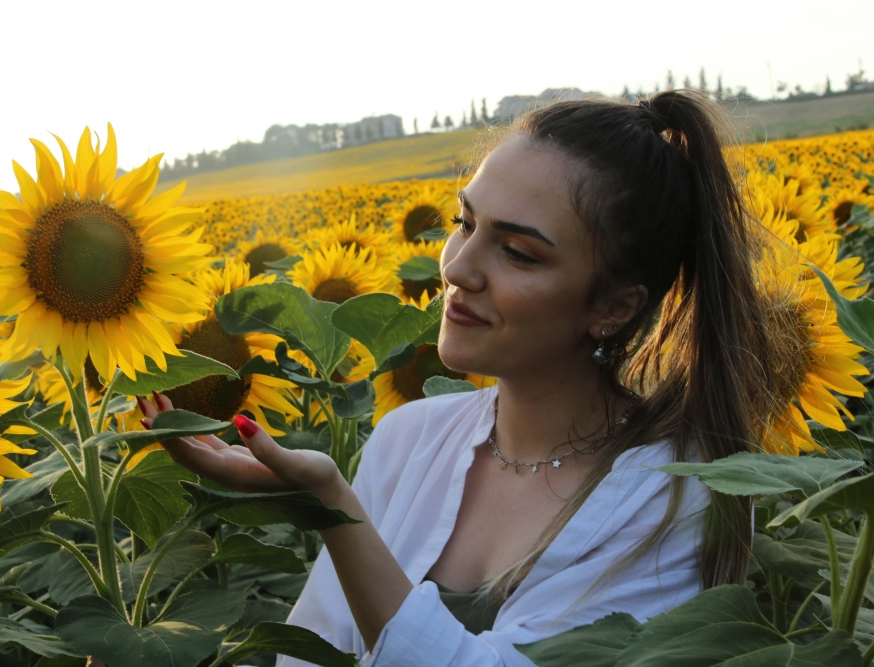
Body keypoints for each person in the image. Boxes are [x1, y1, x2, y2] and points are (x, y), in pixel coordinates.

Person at [137, 90, 775, 666]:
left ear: (615, 307)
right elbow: (311, 656)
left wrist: (333, 512)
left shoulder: (675, 497)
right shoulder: (406, 437)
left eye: (518, 252)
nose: (458, 268)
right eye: (464, 224)